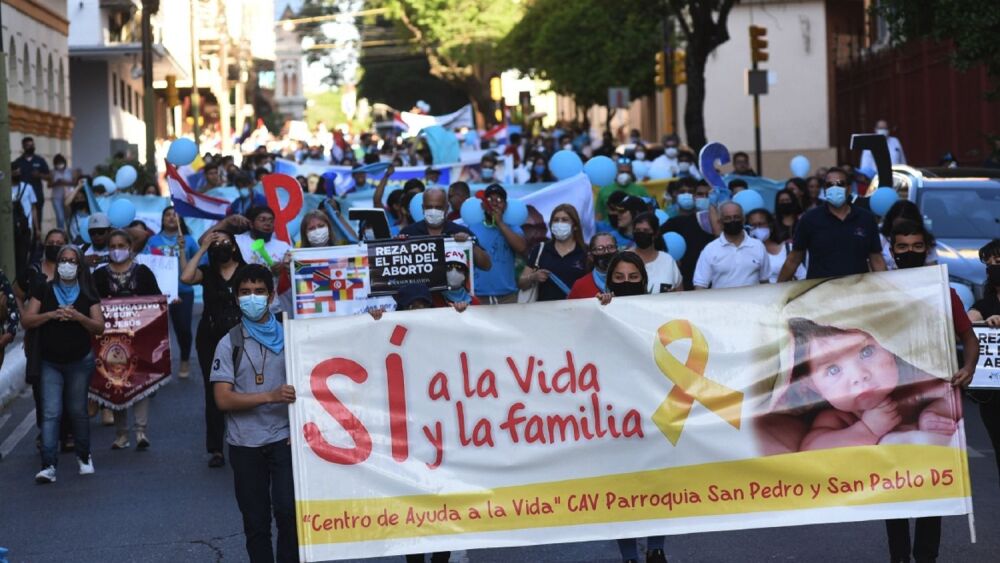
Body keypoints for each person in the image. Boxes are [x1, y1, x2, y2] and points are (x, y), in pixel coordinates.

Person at [881, 218, 977, 563]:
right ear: (892, 251)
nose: (910, 252)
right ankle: (898, 556)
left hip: (936, 401)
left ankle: (926, 557)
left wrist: (968, 368)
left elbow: (968, 337)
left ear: (927, 249)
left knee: (931, 484)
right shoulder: (878, 292)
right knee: (891, 484)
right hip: (889, 401)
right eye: (903, 247)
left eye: (917, 246)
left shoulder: (944, 292)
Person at [210, 264, 298, 563]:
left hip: (286, 439)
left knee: (289, 513)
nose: (252, 298)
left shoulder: (293, 337)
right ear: (236, 298)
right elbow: (222, 399)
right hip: (245, 443)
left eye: (259, 292)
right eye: (245, 292)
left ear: (271, 295)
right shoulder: (228, 343)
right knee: (256, 523)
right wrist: (269, 397)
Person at [592, 253, 667, 563]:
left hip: (653, 409)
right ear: (609, 282)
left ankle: (656, 548)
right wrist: (598, 312)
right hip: (614, 413)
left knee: (658, 481)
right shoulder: (597, 312)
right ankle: (629, 556)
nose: (626, 284)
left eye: (633, 278)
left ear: (644, 281)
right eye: (619, 279)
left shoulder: (659, 313)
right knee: (619, 486)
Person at [21, 245, 105, 484]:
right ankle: (48, 465)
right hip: (50, 362)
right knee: (50, 412)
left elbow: (99, 327)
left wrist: (78, 317)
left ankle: (84, 456)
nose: (67, 264)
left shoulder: (88, 292)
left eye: (72, 260)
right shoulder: (44, 289)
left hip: (80, 361)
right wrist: (51, 315)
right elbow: (27, 320)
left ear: (79, 265)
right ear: (57, 265)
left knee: (78, 410)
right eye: (63, 260)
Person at [181, 230, 246, 468]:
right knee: (214, 390)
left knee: (244, 385)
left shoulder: (245, 270)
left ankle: (244, 439)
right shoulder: (207, 272)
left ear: (234, 246)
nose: (222, 247)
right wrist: (202, 248)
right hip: (210, 337)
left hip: (242, 336)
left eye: (226, 242)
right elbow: (186, 277)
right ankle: (216, 448)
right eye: (216, 244)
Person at [93, 230, 162, 450]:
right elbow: (92, 304)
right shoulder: (99, 275)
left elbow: (156, 300)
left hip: (139, 339)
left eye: (121, 245)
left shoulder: (143, 273)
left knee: (140, 381)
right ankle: (121, 434)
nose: (117, 249)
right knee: (115, 383)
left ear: (131, 248)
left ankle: (141, 431)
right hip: (110, 341)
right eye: (112, 246)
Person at [778, 167, 887, 282]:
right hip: (821, 291)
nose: (835, 188)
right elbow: (794, 259)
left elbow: (876, 258)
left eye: (840, 184)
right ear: (824, 189)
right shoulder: (809, 219)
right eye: (829, 184)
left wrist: (888, 289)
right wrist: (777, 292)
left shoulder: (866, 218)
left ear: (849, 188)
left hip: (856, 290)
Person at [145, 207, 199, 378]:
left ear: (180, 221)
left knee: (183, 329)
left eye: (175, 215)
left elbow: (198, 261)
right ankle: (158, 364)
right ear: (162, 220)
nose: (171, 217)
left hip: (183, 292)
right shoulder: (152, 241)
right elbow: (145, 264)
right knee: (157, 331)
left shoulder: (189, 240)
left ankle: (184, 359)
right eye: (167, 215)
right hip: (159, 294)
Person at [965, 239, 1000, 486]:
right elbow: (966, 324)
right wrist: (977, 324)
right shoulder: (984, 306)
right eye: (989, 264)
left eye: (998, 261)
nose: (993, 267)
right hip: (994, 397)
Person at [399, 187, 491, 269]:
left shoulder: (460, 231)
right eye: (429, 207)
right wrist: (398, 246)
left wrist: (470, 245)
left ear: (446, 208)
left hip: (454, 288)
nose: (433, 211)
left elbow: (486, 265)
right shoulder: (409, 232)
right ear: (423, 208)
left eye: (438, 207)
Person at [466, 185, 527, 304]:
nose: (494, 203)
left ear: (506, 206)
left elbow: (522, 248)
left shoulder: (513, 227)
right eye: (489, 200)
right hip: (478, 296)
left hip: (508, 297)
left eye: (499, 200)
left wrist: (500, 223)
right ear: (483, 205)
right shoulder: (472, 228)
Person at [518, 205, 588, 301]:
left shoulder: (585, 251)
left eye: (564, 220)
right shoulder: (540, 249)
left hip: (576, 310)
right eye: (556, 220)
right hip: (545, 311)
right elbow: (521, 283)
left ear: (575, 226)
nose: (560, 223)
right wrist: (533, 277)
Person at [693, 202, 769, 289]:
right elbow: (700, 286)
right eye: (727, 218)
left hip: (754, 302)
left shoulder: (758, 246)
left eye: (736, 217)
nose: (733, 221)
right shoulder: (710, 250)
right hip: (721, 302)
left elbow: (765, 281)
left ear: (743, 220)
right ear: (720, 222)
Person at [661, 179, 716, 290]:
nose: (686, 195)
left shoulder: (711, 223)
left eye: (690, 192)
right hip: (683, 282)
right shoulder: (671, 224)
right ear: (675, 194)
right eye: (682, 191)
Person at [629, 213, 682, 293]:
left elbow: (680, 293)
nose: (641, 234)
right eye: (637, 231)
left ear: (655, 234)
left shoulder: (668, 260)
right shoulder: (624, 258)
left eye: (646, 231)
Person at [746, 209, 805, 283]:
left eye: (760, 224)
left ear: (770, 226)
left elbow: (802, 277)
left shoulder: (787, 248)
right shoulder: (746, 252)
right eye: (753, 225)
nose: (757, 229)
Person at [878, 200, 939, 270]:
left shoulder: (927, 240)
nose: (903, 229)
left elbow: (932, 267)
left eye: (917, 246)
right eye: (902, 247)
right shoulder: (880, 239)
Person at [232, 206, 292, 275]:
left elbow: (299, 267)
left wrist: (287, 265)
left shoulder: (283, 247)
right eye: (262, 220)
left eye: (271, 221)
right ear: (251, 224)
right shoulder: (237, 241)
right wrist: (268, 271)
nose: (268, 224)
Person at [13, 136, 50, 224]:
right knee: (23, 217)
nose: (31, 147)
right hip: (23, 195)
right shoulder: (18, 162)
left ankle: (37, 235)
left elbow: (49, 176)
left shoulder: (40, 160)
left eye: (32, 145)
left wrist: (39, 175)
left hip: (37, 194)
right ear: (23, 146)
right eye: (28, 145)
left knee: (37, 217)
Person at [568, 233, 618, 299]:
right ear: (591, 256)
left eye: (611, 247)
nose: (606, 252)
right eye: (600, 248)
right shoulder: (580, 285)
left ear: (617, 251)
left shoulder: (627, 279)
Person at [49, 154, 74, 230]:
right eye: (58, 163)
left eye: (61, 163)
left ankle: (70, 233)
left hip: (68, 196)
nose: (60, 165)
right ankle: (61, 232)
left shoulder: (69, 171)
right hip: (56, 197)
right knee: (60, 217)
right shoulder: (52, 172)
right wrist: (56, 182)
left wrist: (64, 182)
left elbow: (74, 182)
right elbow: (49, 184)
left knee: (69, 217)